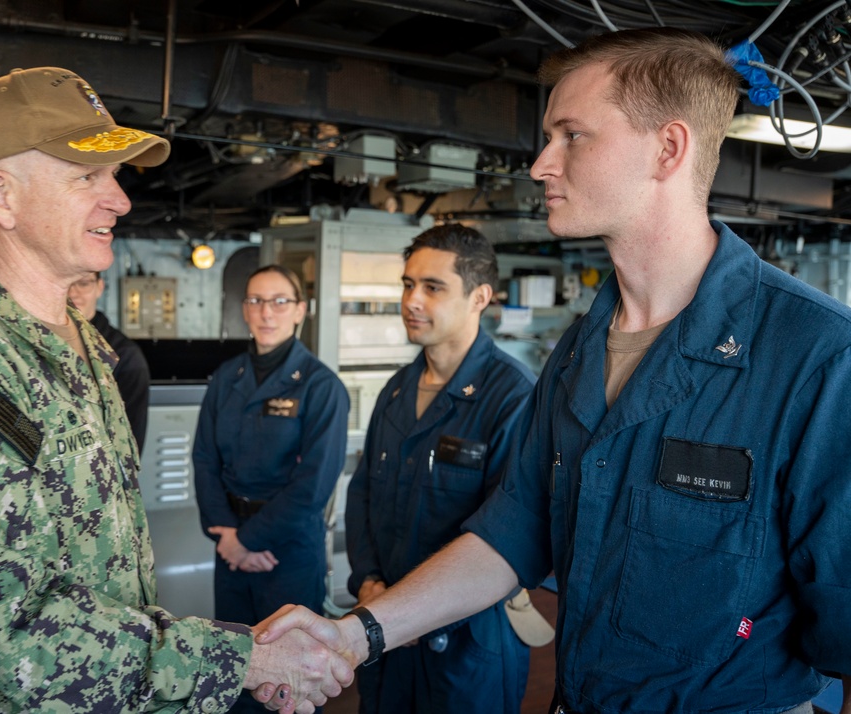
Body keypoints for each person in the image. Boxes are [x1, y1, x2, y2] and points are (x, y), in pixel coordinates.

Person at [255, 28, 851, 714]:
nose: (541, 163)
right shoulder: (577, 352)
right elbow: (513, 533)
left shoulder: (817, 358)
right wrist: (357, 635)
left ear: (668, 149)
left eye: (573, 136)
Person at [0, 66, 349, 714]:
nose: (119, 199)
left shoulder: (82, 349)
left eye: (113, 177)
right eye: (87, 176)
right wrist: (243, 659)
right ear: (3, 196)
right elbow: (20, 634)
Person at [344, 224, 539, 714]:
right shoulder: (396, 390)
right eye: (408, 284)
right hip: (387, 632)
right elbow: (362, 494)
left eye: (433, 288)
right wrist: (369, 583)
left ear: (480, 297)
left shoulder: (514, 398)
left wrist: (410, 614)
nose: (413, 300)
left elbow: (510, 537)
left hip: (466, 642)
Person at [194, 264, 350, 713]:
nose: (267, 312)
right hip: (229, 548)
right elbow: (204, 459)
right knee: (234, 669)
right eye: (256, 300)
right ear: (244, 309)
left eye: (280, 301)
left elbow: (312, 487)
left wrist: (248, 540)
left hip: (288, 551)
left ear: (300, 310)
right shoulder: (227, 378)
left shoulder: (322, 388)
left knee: (290, 684)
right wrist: (224, 534)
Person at [69, 271, 151, 452]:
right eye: (67, 282)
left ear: (99, 287)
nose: (73, 292)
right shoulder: (44, 344)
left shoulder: (124, 355)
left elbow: (131, 443)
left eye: (83, 283)